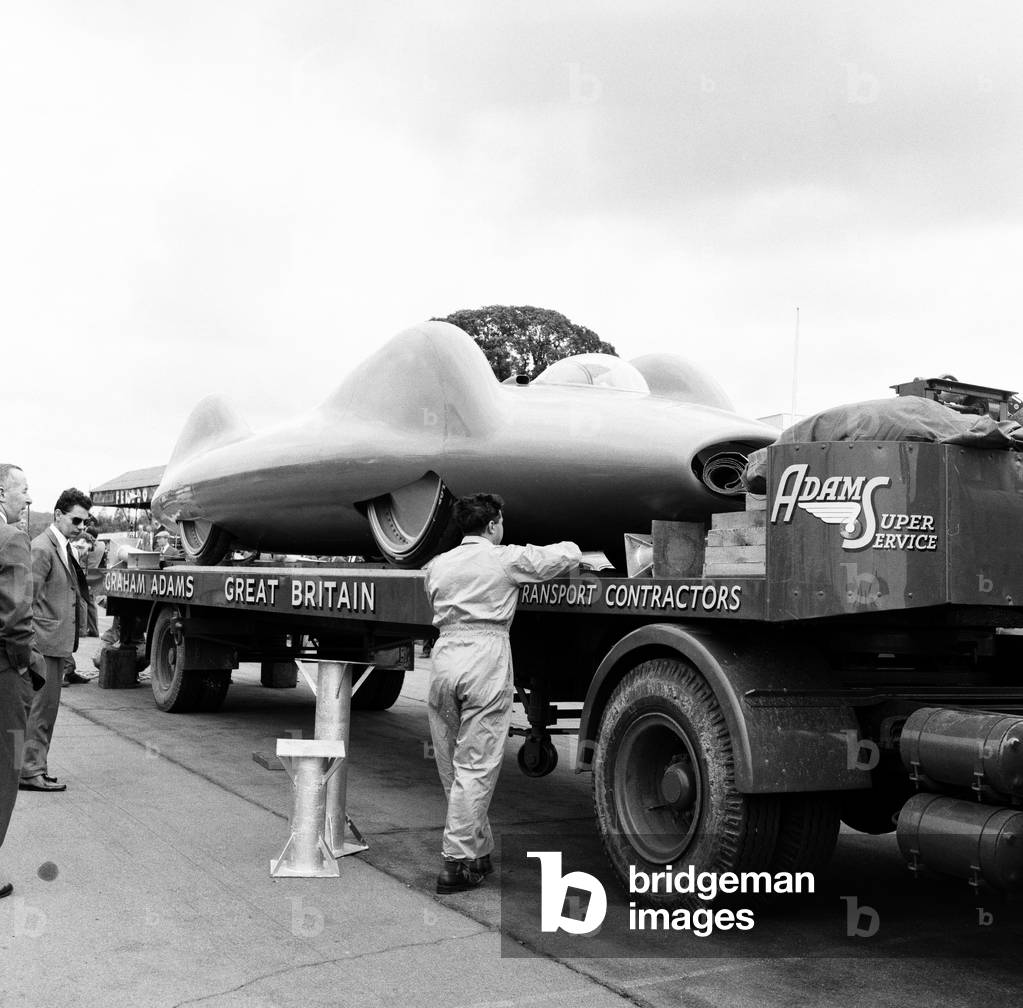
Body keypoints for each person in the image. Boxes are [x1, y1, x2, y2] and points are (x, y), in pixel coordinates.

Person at [422, 493, 580, 894]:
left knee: (452, 764)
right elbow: (558, 558)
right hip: (484, 657)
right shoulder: (504, 558)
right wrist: (576, 548)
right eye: (501, 522)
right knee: (476, 766)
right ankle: (457, 863)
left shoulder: (438, 565)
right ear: (492, 525)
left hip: (444, 657)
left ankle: (476, 850)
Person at [21, 488, 92, 792]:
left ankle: (35, 767)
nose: (81, 527)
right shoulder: (42, 548)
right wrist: (33, 647)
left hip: (55, 644)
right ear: (58, 515)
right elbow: (27, 601)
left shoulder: (62, 547)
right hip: (44, 646)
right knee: (40, 712)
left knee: (46, 712)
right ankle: (30, 771)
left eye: (85, 523)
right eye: (76, 520)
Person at [0, 464, 41, 897]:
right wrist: (24, 665)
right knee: (4, 765)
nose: (28, 500)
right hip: (4, 671)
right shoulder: (11, 539)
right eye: (24, 490)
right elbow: (15, 616)